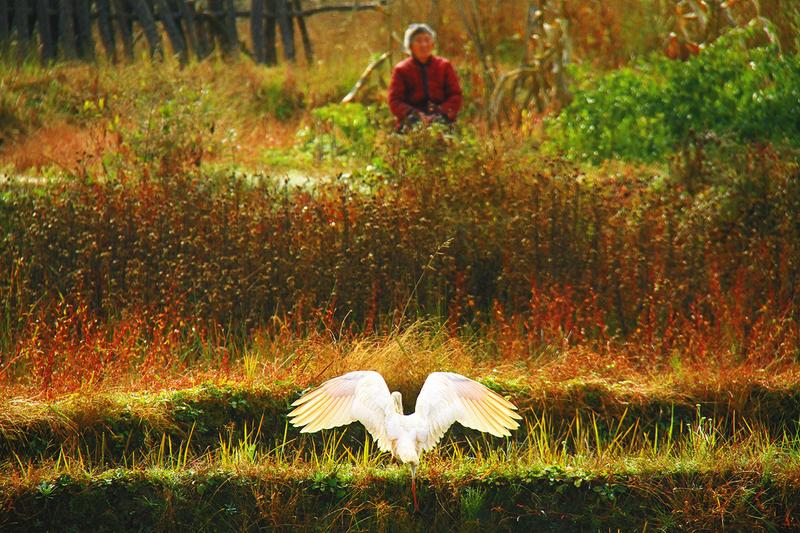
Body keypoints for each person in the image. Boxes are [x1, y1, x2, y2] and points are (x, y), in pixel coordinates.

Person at [388, 23, 463, 132]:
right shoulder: (401, 70)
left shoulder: (444, 66)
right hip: (411, 123)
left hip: (441, 120)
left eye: (427, 40)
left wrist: (440, 113)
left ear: (432, 44)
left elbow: (455, 95)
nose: (423, 45)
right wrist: (415, 115)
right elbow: (394, 101)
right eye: (418, 41)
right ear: (410, 46)